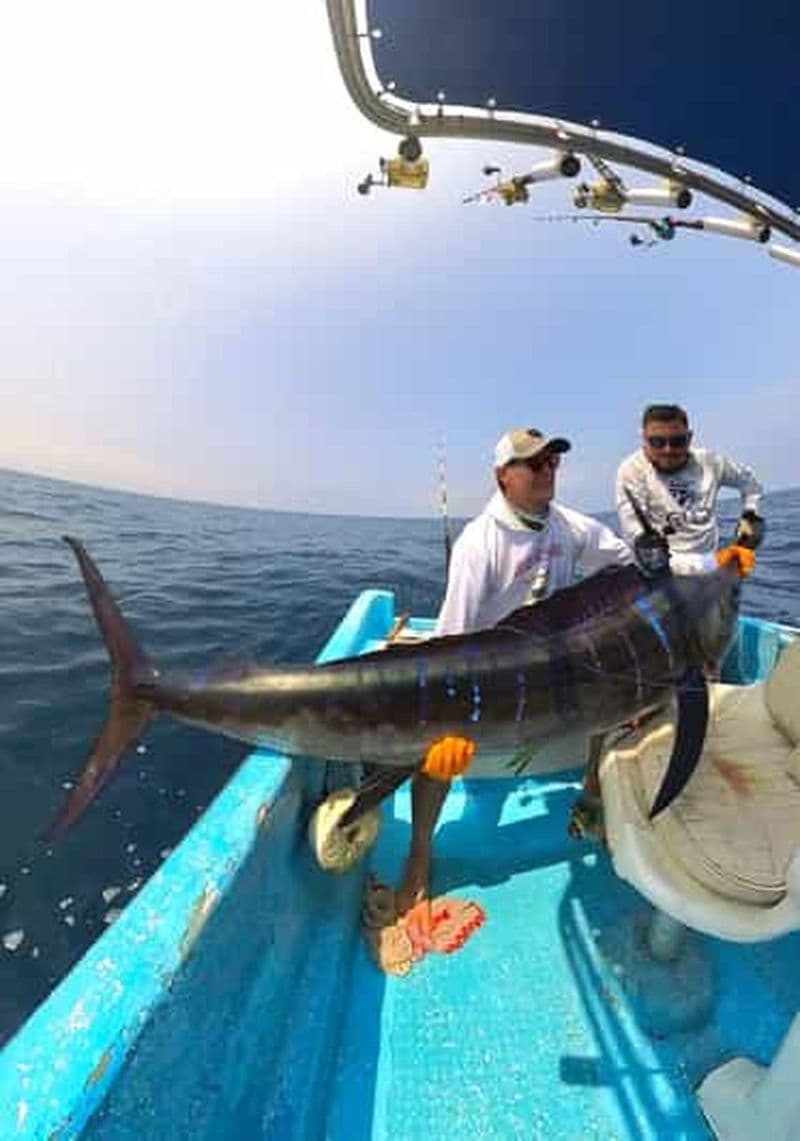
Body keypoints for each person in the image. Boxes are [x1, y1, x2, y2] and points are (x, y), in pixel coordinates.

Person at [396, 426, 633, 913]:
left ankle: (591, 793)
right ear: (503, 476)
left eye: (553, 461)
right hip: (488, 676)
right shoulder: (479, 544)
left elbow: (625, 562)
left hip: (554, 666)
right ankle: (419, 853)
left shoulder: (568, 525)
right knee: (435, 750)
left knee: (620, 685)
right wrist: (447, 722)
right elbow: (450, 645)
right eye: (534, 463)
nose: (548, 471)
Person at [616, 404, 764, 573]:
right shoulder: (631, 471)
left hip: (714, 569)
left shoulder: (711, 462)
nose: (667, 450)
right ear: (644, 439)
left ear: (690, 437)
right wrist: (713, 562)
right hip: (663, 575)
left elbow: (751, 485)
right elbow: (641, 545)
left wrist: (750, 513)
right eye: (657, 442)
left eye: (677, 441)